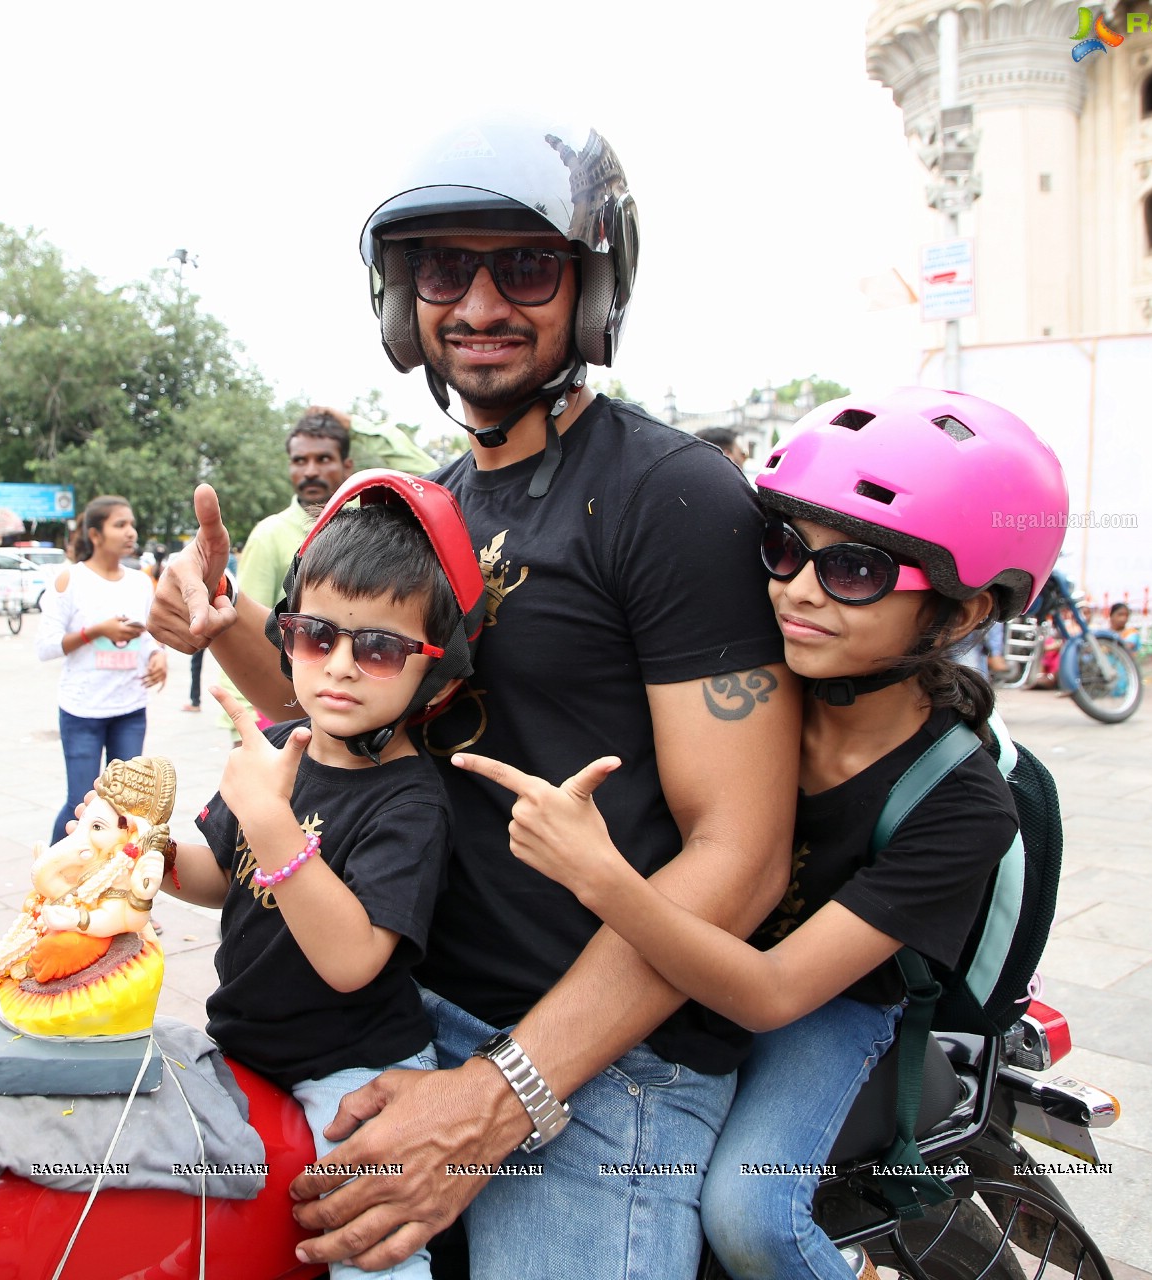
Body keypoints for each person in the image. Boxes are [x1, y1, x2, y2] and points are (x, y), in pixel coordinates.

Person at [151, 122, 799, 1278]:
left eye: (527, 267)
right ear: (405, 300)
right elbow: (349, 703)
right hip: (406, 1007)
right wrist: (234, 631)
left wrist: (508, 1091)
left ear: (594, 286)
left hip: (609, 1054)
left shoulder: (673, 497)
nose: (481, 302)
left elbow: (740, 855)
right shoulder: (430, 504)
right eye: (446, 269)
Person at [461, 386, 1064, 1280]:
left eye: (855, 571)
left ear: (965, 610)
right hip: (696, 957)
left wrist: (603, 879)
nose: (798, 592)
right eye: (783, 551)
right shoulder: (765, 688)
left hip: (827, 1001)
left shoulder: (962, 802)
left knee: (751, 1211)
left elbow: (774, 993)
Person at [161, 474, 482, 1280]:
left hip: (354, 1072)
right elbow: (221, 878)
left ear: (433, 673)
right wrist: (152, 858)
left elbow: (352, 958)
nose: (339, 667)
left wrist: (273, 825)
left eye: (378, 648)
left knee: (373, 1256)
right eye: (315, 636)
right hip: (245, 1043)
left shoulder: (411, 800)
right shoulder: (278, 750)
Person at [214, 408, 357, 728]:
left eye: (323, 459)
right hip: (278, 710)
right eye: (299, 461)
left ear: (347, 466)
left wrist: (357, 425)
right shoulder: (269, 535)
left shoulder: (369, 527)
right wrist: (241, 723)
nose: (310, 471)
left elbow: (435, 477)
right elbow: (233, 624)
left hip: (353, 708)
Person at [36, 495, 167, 844]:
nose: (130, 532)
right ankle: (52, 879)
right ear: (95, 535)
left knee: (125, 806)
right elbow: (45, 646)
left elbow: (151, 635)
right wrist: (97, 631)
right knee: (82, 804)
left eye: (131, 524)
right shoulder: (70, 580)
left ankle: (107, 881)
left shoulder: (141, 582)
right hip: (83, 711)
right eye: (119, 524)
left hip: (129, 709)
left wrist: (159, 655)